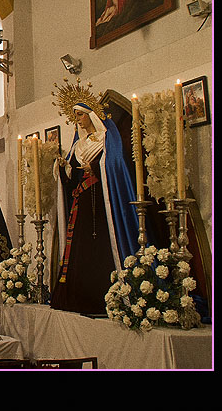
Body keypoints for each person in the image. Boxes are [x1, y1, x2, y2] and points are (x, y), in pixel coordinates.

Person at [50, 102, 142, 315]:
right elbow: (72, 182)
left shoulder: (107, 139)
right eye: (76, 116)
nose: (78, 120)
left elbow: (115, 166)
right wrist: (63, 171)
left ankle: (103, 296)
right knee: (79, 247)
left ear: (92, 116)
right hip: (81, 203)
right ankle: (78, 297)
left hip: (102, 204)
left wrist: (98, 168)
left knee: (99, 246)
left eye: (81, 115)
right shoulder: (78, 146)